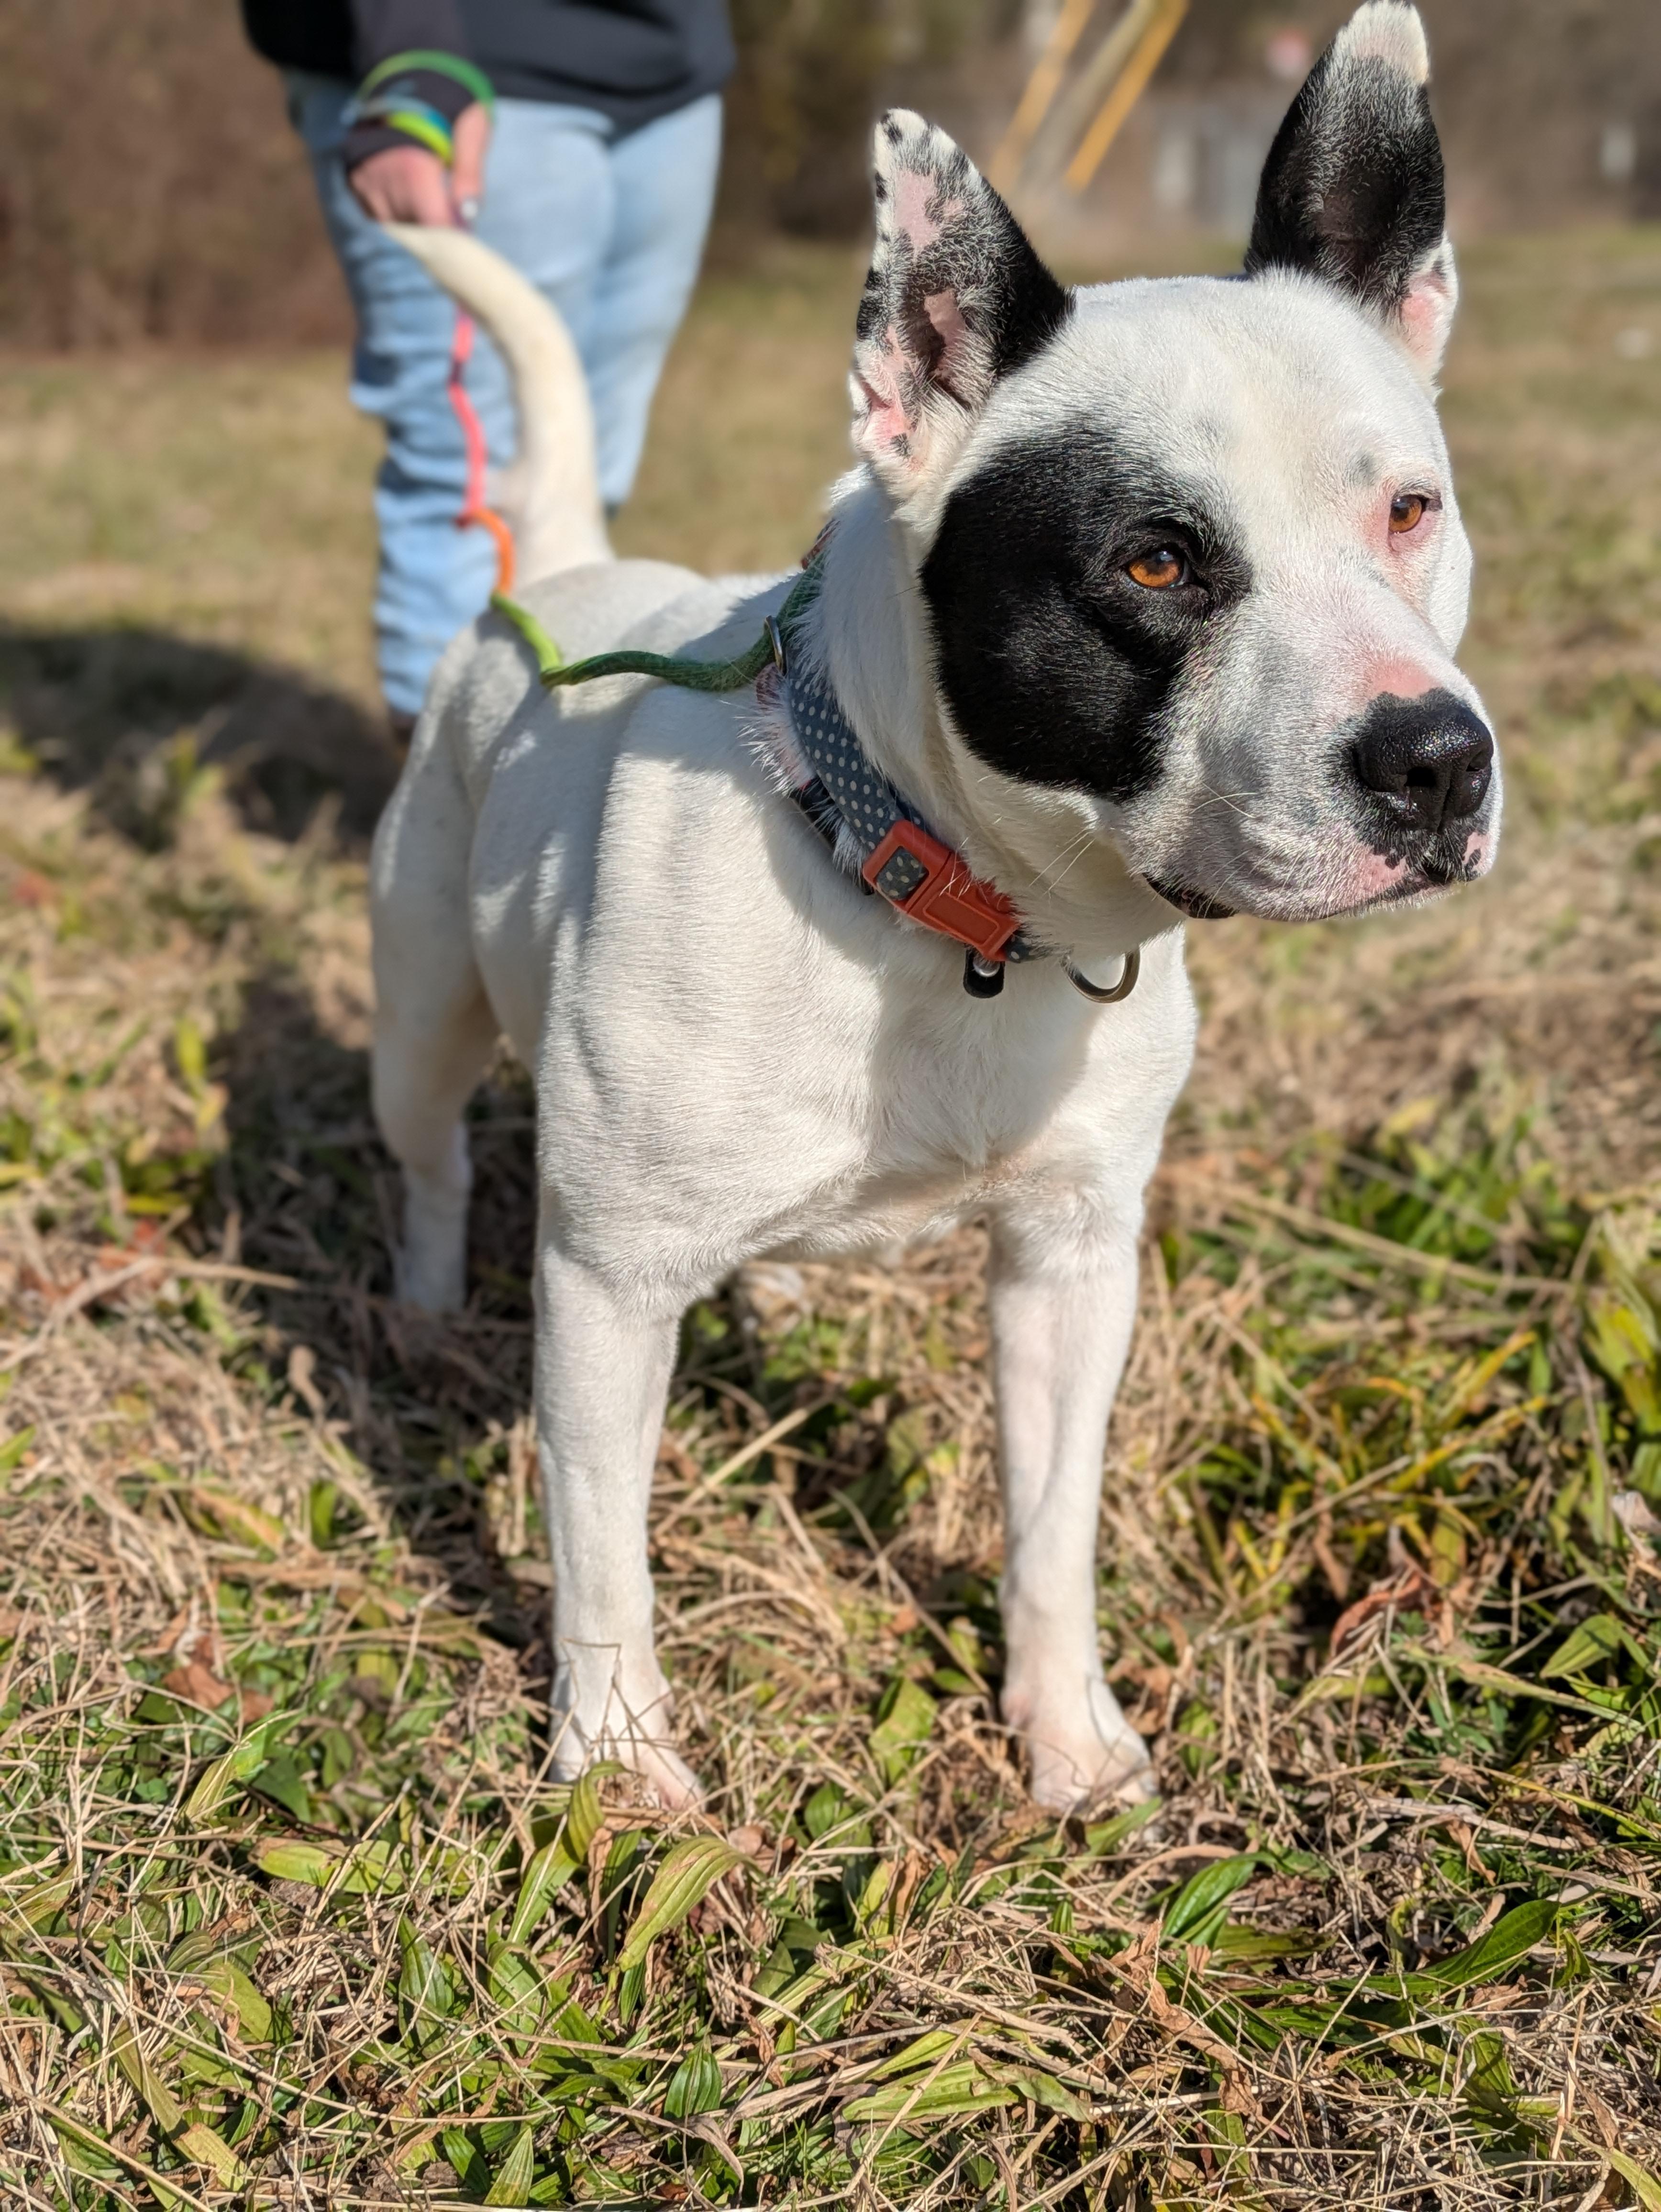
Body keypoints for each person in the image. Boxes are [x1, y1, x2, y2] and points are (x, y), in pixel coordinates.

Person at [241, 1, 733, 736]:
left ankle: (542, 789)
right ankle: (440, 826)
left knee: (578, 489)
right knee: (468, 500)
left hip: (667, 76)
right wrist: (413, 63)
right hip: (467, 68)